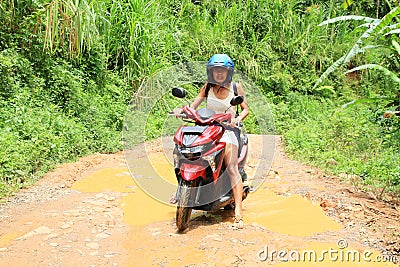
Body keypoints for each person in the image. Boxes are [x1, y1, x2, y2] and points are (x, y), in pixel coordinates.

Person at [172, 54, 249, 229]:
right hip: (207, 128)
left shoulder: (236, 87)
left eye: (222, 71)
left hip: (228, 130)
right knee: (186, 152)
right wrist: (183, 110)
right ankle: (183, 188)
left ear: (228, 73)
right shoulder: (207, 87)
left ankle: (238, 213)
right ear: (211, 72)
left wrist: (237, 119)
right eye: (216, 71)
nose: (219, 74)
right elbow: (194, 105)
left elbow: (245, 109)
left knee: (231, 168)